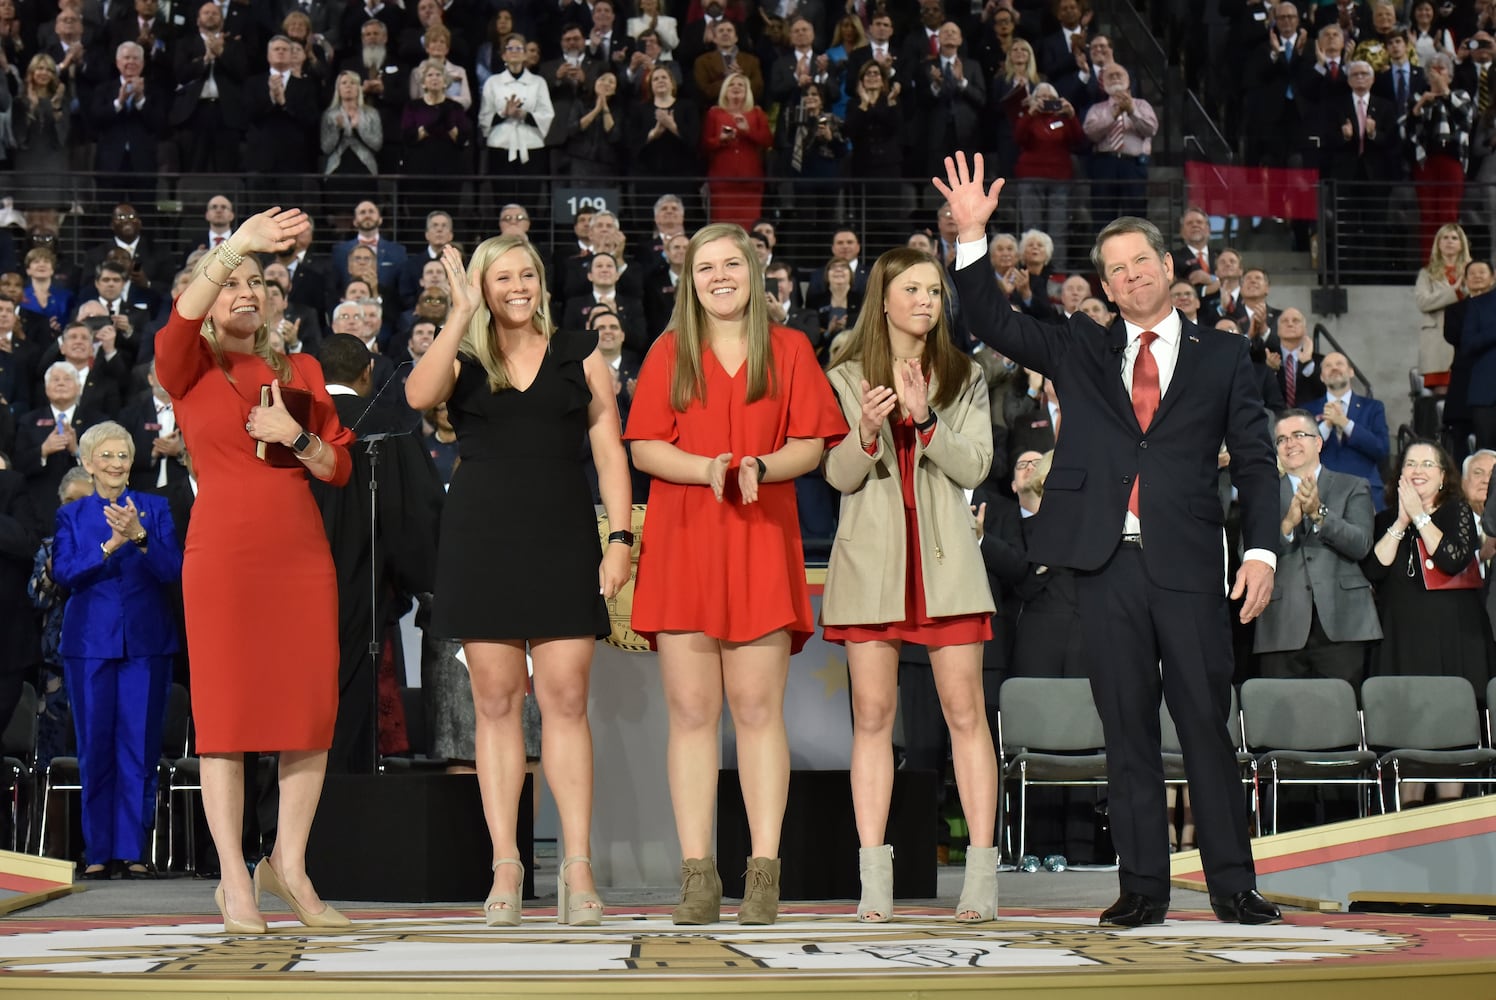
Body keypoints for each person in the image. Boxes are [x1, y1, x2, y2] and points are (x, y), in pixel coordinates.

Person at [936, 152, 1283, 927]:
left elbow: (1257, 466)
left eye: (1139, 264)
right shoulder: (1081, 346)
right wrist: (969, 238)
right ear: (1104, 283)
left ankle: (1233, 885)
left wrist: (1261, 551)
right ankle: (1142, 890)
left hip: (1191, 567)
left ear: (1167, 266)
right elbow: (993, 321)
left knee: (1204, 727)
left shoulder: (1224, 355)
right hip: (1102, 564)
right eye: (1114, 271)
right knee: (1125, 731)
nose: (1129, 278)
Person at [404, 236, 632, 926]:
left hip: (563, 538)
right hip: (481, 543)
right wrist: (458, 313)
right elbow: (418, 394)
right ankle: (507, 865)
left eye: (526, 273)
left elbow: (609, 453)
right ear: (483, 284)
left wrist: (618, 539)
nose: (518, 286)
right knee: (497, 703)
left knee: (565, 699)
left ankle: (578, 866)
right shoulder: (466, 356)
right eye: (502, 277)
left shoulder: (578, 353)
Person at [624, 223, 846, 926]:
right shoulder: (668, 351)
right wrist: (710, 469)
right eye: (705, 268)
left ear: (754, 271)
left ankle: (763, 871)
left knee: (756, 712)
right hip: (686, 538)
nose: (719, 277)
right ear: (688, 282)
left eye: (731, 264)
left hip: (759, 536)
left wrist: (758, 465)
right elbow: (645, 448)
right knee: (692, 715)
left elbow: (811, 445)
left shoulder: (789, 349)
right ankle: (697, 874)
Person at [154, 207, 354, 935]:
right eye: (230, 283)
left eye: (257, 283)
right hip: (224, 562)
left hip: (300, 559)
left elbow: (337, 466)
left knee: (307, 716)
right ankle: (234, 881)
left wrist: (295, 434)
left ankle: (289, 865)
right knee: (228, 723)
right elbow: (176, 326)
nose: (245, 291)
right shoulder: (187, 364)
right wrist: (236, 242)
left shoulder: (300, 369)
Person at [820, 247, 998, 923]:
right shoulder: (843, 375)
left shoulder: (964, 374)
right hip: (872, 565)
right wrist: (866, 431)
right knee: (872, 718)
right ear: (884, 299)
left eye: (934, 289)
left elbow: (976, 463)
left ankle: (980, 879)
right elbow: (837, 476)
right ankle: (874, 880)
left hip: (948, 563)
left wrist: (927, 420)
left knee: (965, 715)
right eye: (913, 289)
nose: (926, 300)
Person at [51, 420, 181, 879]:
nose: (114, 463)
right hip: (89, 645)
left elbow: (174, 571)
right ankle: (99, 851)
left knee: (139, 749)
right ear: (87, 463)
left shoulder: (155, 508)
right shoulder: (72, 515)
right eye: (104, 456)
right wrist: (110, 544)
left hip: (146, 645)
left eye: (121, 454)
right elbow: (65, 573)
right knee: (96, 748)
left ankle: (134, 851)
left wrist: (141, 536)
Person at [1362, 439, 1492, 803]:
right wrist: (1402, 521)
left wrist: (1420, 516)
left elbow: (1451, 558)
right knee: (1409, 738)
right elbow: (1374, 568)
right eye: (1410, 464)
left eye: (1427, 464)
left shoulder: (1457, 512)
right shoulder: (1385, 518)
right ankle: (1411, 824)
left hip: (1453, 638)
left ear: (1442, 477)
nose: (1417, 470)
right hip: (1403, 639)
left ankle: (1450, 820)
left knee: (1449, 735)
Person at [1254, 409, 1380, 683]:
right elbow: (1247, 554)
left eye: (1299, 435)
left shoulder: (1353, 485)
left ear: (1318, 442)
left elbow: (1361, 545)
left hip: (1344, 623)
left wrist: (1319, 514)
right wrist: (1286, 525)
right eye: (1282, 439)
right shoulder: (1262, 494)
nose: (1290, 443)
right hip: (1282, 625)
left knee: (1341, 714)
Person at [702, 73, 771, 231]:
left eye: (741, 85)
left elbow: (767, 140)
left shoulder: (756, 113)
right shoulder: (715, 113)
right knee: (722, 228)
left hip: (750, 182)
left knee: (748, 229)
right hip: (722, 182)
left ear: (747, 92)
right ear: (725, 90)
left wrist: (748, 130)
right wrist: (720, 139)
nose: (736, 87)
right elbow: (705, 145)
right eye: (732, 84)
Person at [1415, 223, 1472, 393]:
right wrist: (1455, 293)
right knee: (1442, 401)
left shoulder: (1473, 271)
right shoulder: (1427, 273)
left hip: (1467, 339)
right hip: (1438, 345)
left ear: (1462, 244)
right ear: (1438, 244)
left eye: (1454, 238)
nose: (1449, 241)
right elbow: (1423, 302)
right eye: (1445, 238)